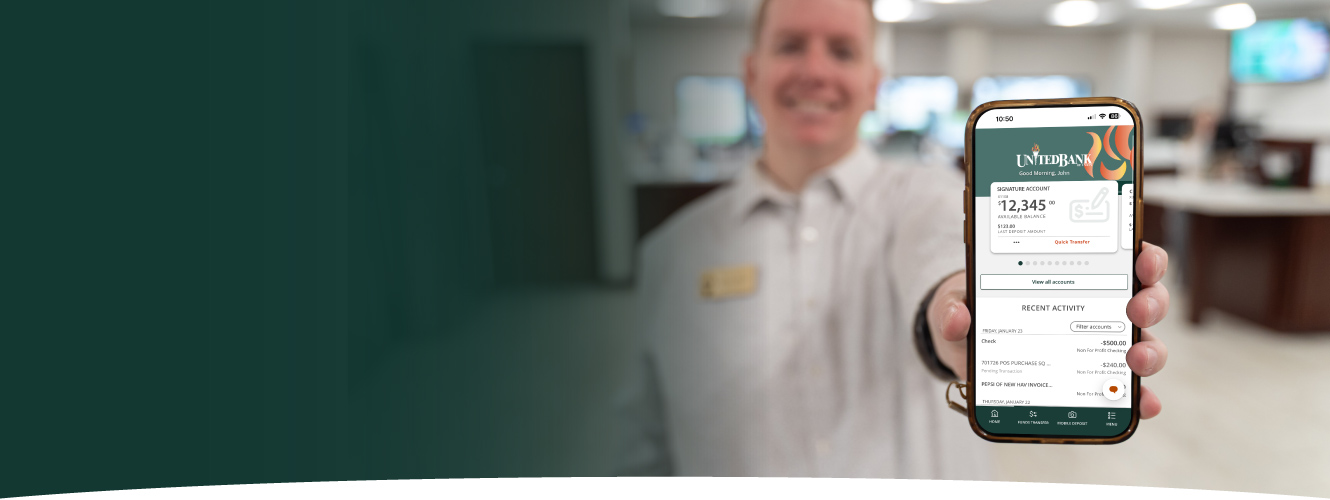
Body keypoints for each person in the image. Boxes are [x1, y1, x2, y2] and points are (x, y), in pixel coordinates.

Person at [615, 0, 1171, 478]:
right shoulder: (670, 254)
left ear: (873, 84)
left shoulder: (929, 194)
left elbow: (941, 257)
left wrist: (959, 322)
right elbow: (642, 448)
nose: (815, 70)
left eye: (842, 51)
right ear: (750, 72)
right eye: (790, 46)